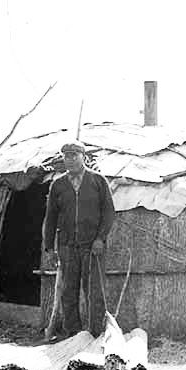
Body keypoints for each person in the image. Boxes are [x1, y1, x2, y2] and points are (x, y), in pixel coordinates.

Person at [42, 140, 115, 340]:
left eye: (75, 155)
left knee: (94, 291)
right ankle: (73, 333)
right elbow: (51, 217)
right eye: (66, 156)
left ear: (84, 157)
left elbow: (109, 212)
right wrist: (49, 246)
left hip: (93, 246)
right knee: (68, 290)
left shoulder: (97, 181)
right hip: (67, 245)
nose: (70, 159)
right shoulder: (58, 184)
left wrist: (100, 238)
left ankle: (95, 333)